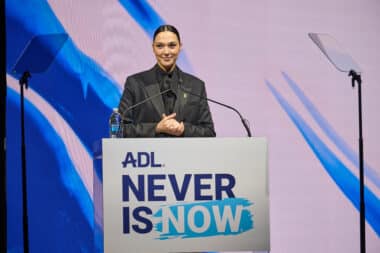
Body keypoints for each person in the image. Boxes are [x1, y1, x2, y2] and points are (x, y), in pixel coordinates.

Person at [118, 24, 216, 137]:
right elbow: (120, 129)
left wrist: (184, 129)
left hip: (185, 153)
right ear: (153, 48)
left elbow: (209, 132)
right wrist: (156, 128)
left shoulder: (196, 86)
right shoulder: (135, 83)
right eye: (160, 46)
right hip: (148, 153)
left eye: (172, 45)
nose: (166, 52)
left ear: (180, 47)